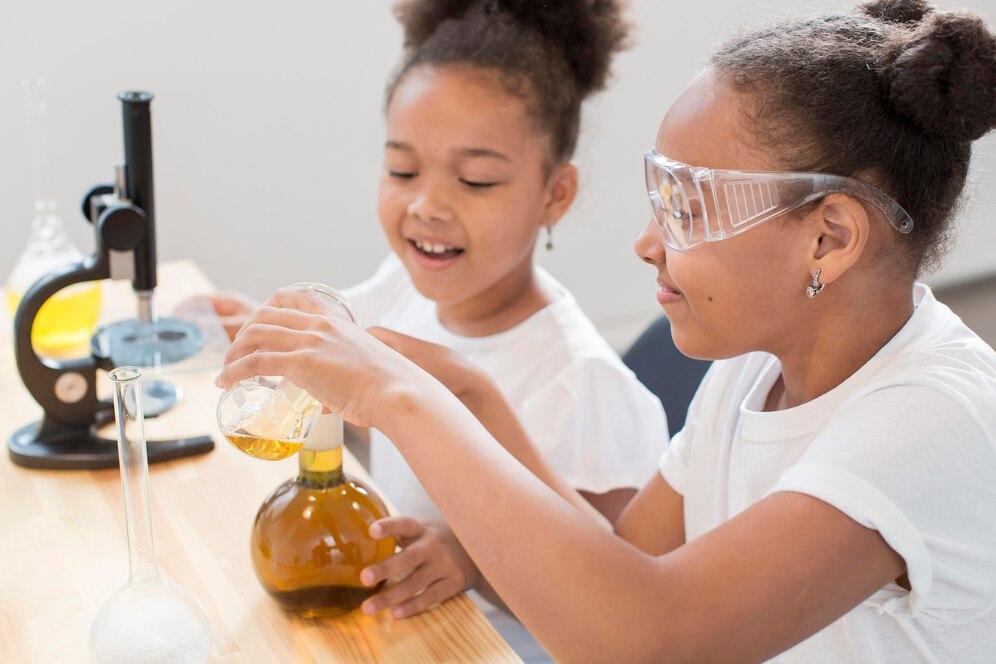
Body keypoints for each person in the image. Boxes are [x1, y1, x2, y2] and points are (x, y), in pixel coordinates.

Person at [218, 0, 996, 660]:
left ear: (829, 238)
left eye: (686, 210)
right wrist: (468, 391)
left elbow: (642, 637)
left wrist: (402, 399)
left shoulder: (928, 424)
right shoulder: (755, 368)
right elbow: (618, 562)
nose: (648, 243)